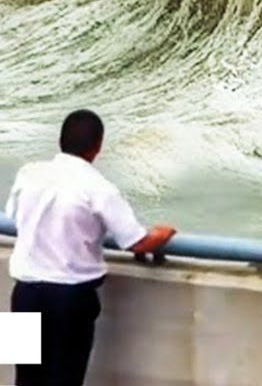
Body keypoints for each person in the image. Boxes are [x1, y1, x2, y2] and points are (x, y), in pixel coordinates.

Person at [4, 109, 177, 386]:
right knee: (65, 380)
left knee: (25, 379)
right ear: (98, 147)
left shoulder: (29, 174)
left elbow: (14, 216)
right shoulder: (99, 188)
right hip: (69, 300)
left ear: (61, 141)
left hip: (23, 294)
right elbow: (137, 242)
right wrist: (164, 233)